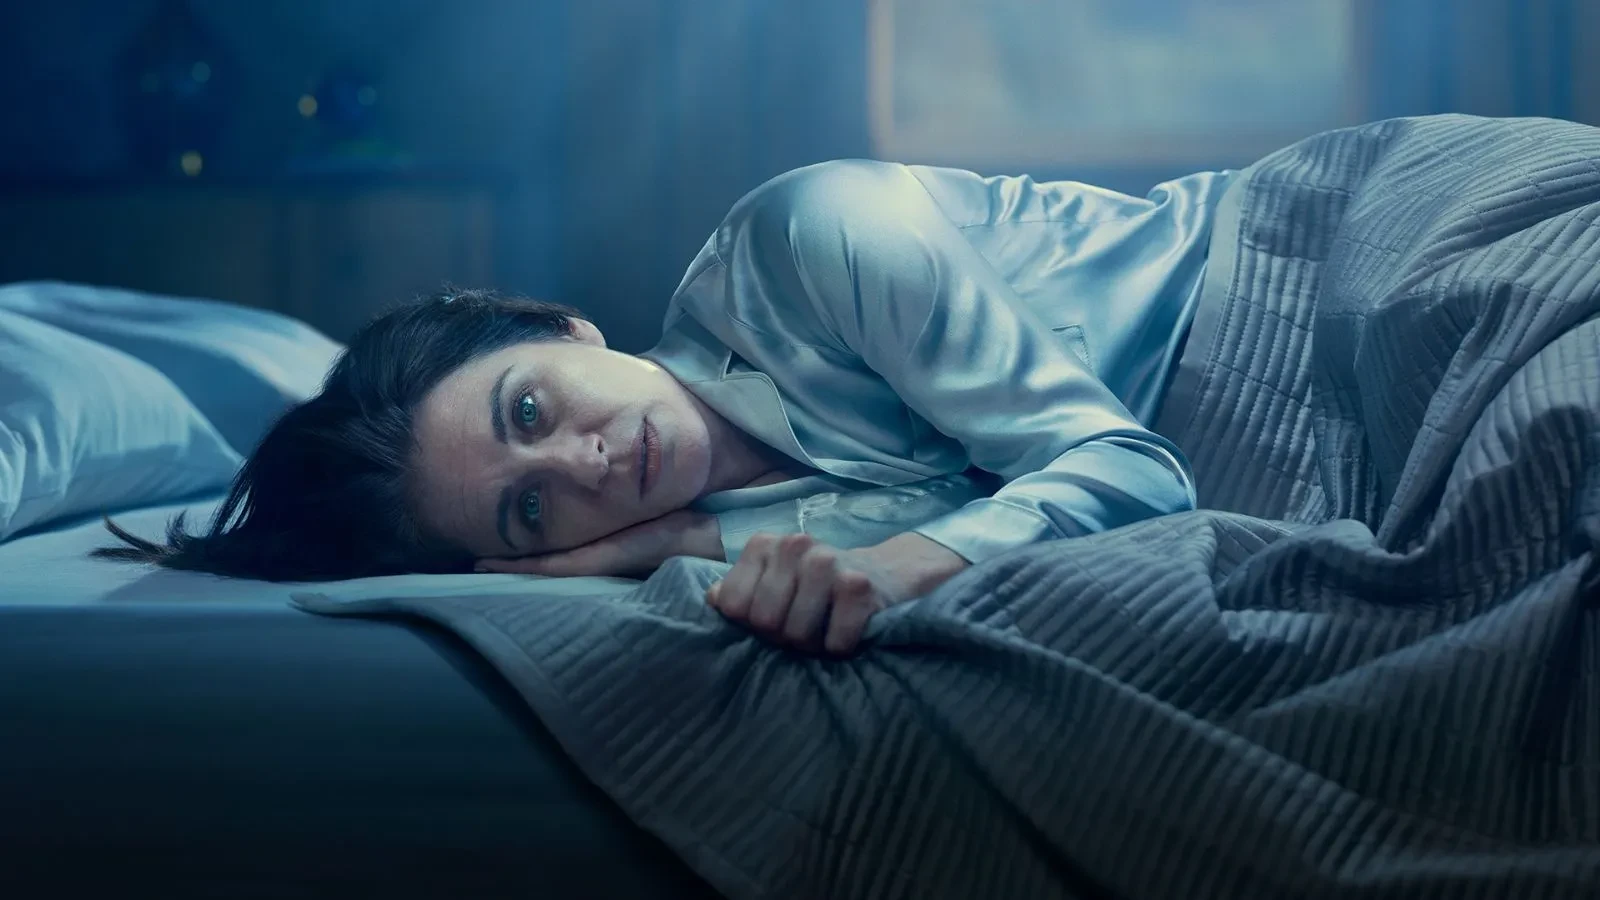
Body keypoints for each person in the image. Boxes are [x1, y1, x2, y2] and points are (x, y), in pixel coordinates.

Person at [99, 159, 1233, 655]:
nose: (581, 467)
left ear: (559, 326)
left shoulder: (809, 238)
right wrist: (675, 543)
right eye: (529, 512)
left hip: (1286, 284)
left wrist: (894, 574)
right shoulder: (705, 538)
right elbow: (957, 497)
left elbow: (1137, 478)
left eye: (528, 412)